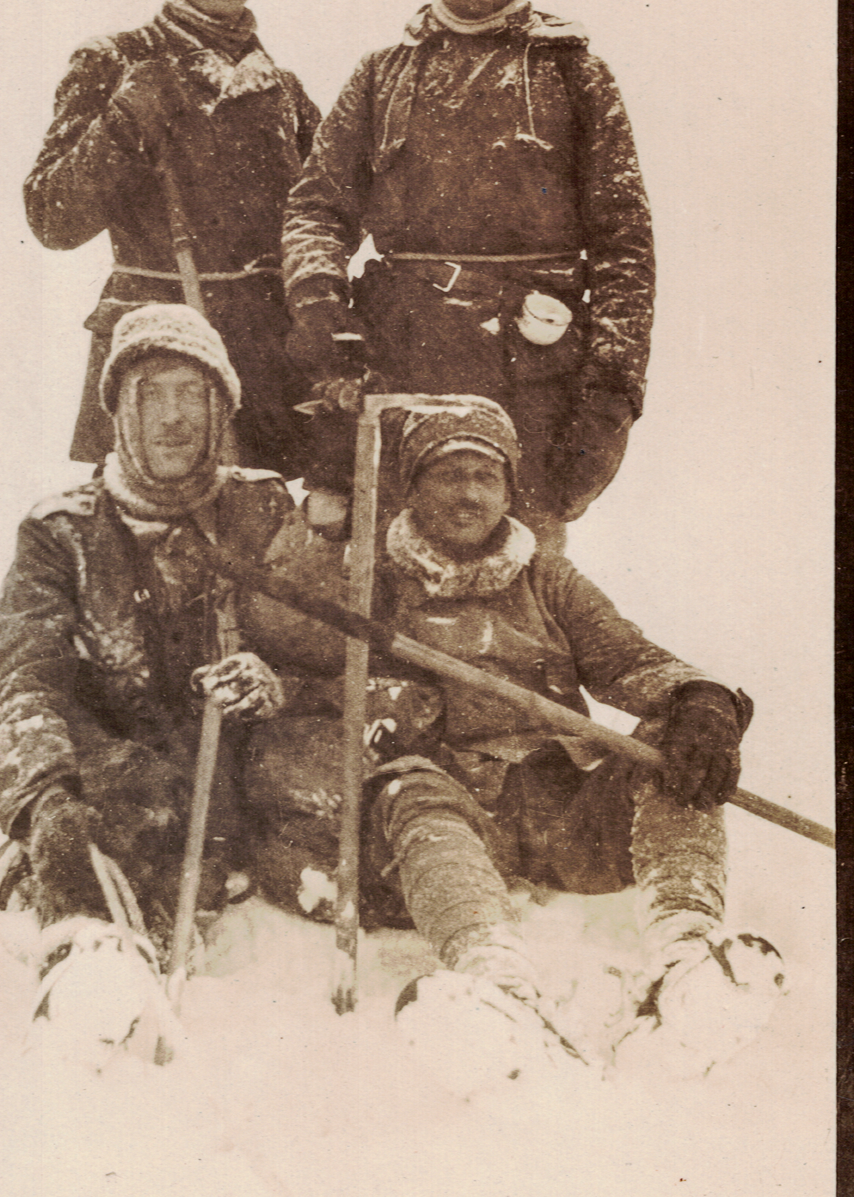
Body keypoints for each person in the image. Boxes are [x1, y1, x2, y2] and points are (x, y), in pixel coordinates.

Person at [238, 396, 785, 1091]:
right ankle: (495, 983)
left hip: (563, 816)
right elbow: (298, 654)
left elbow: (630, 661)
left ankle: (686, 960)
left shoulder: (546, 579)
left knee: (670, 751)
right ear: (411, 486)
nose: (469, 492)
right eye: (448, 473)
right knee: (412, 785)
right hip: (448, 821)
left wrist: (700, 702)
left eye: (485, 476)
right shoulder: (371, 578)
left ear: (507, 490)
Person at [0, 304, 331, 1057]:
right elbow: (20, 681)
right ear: (117, 413)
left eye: (189, 395)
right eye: (149, 395)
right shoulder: (60, 529)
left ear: (221, 408)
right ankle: (86, 943)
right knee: (110, 790)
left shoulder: (262, 506)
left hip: (224, 751)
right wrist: (44, 798)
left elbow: (323, 649)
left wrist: (276, 681)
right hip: (105, 740)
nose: (171, 418)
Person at [281, 0, 655, 549]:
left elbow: (623, 240)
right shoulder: (379, 76)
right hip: (399, 353)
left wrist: (611, 390)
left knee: (522, 568)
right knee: (362, 556)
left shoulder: (573, 73)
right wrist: (317, 302)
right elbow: (316, 206)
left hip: (530, 374)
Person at [26, 0, 321, 478]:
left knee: (259, 540)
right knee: (143, 537)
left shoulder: (284, 93)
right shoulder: (117, 61)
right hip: (153, 347)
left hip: (260, 362)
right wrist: (124, 120)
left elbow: (331, 214)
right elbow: (52, 216)